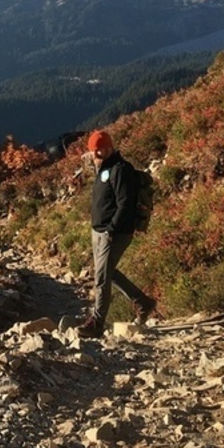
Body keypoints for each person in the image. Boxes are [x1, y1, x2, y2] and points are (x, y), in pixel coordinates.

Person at [78, 129, 157, 338]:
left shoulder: (121, 170)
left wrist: (111, 229)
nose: (94, 156)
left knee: (102, 278)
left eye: (98, 151)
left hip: (114, 232)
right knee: (108, 272)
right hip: (99, 231)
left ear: (108, 149)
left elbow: (125, 203)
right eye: (92, 152)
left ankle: (97, 322)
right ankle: (143, 302)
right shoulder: (104, 168)